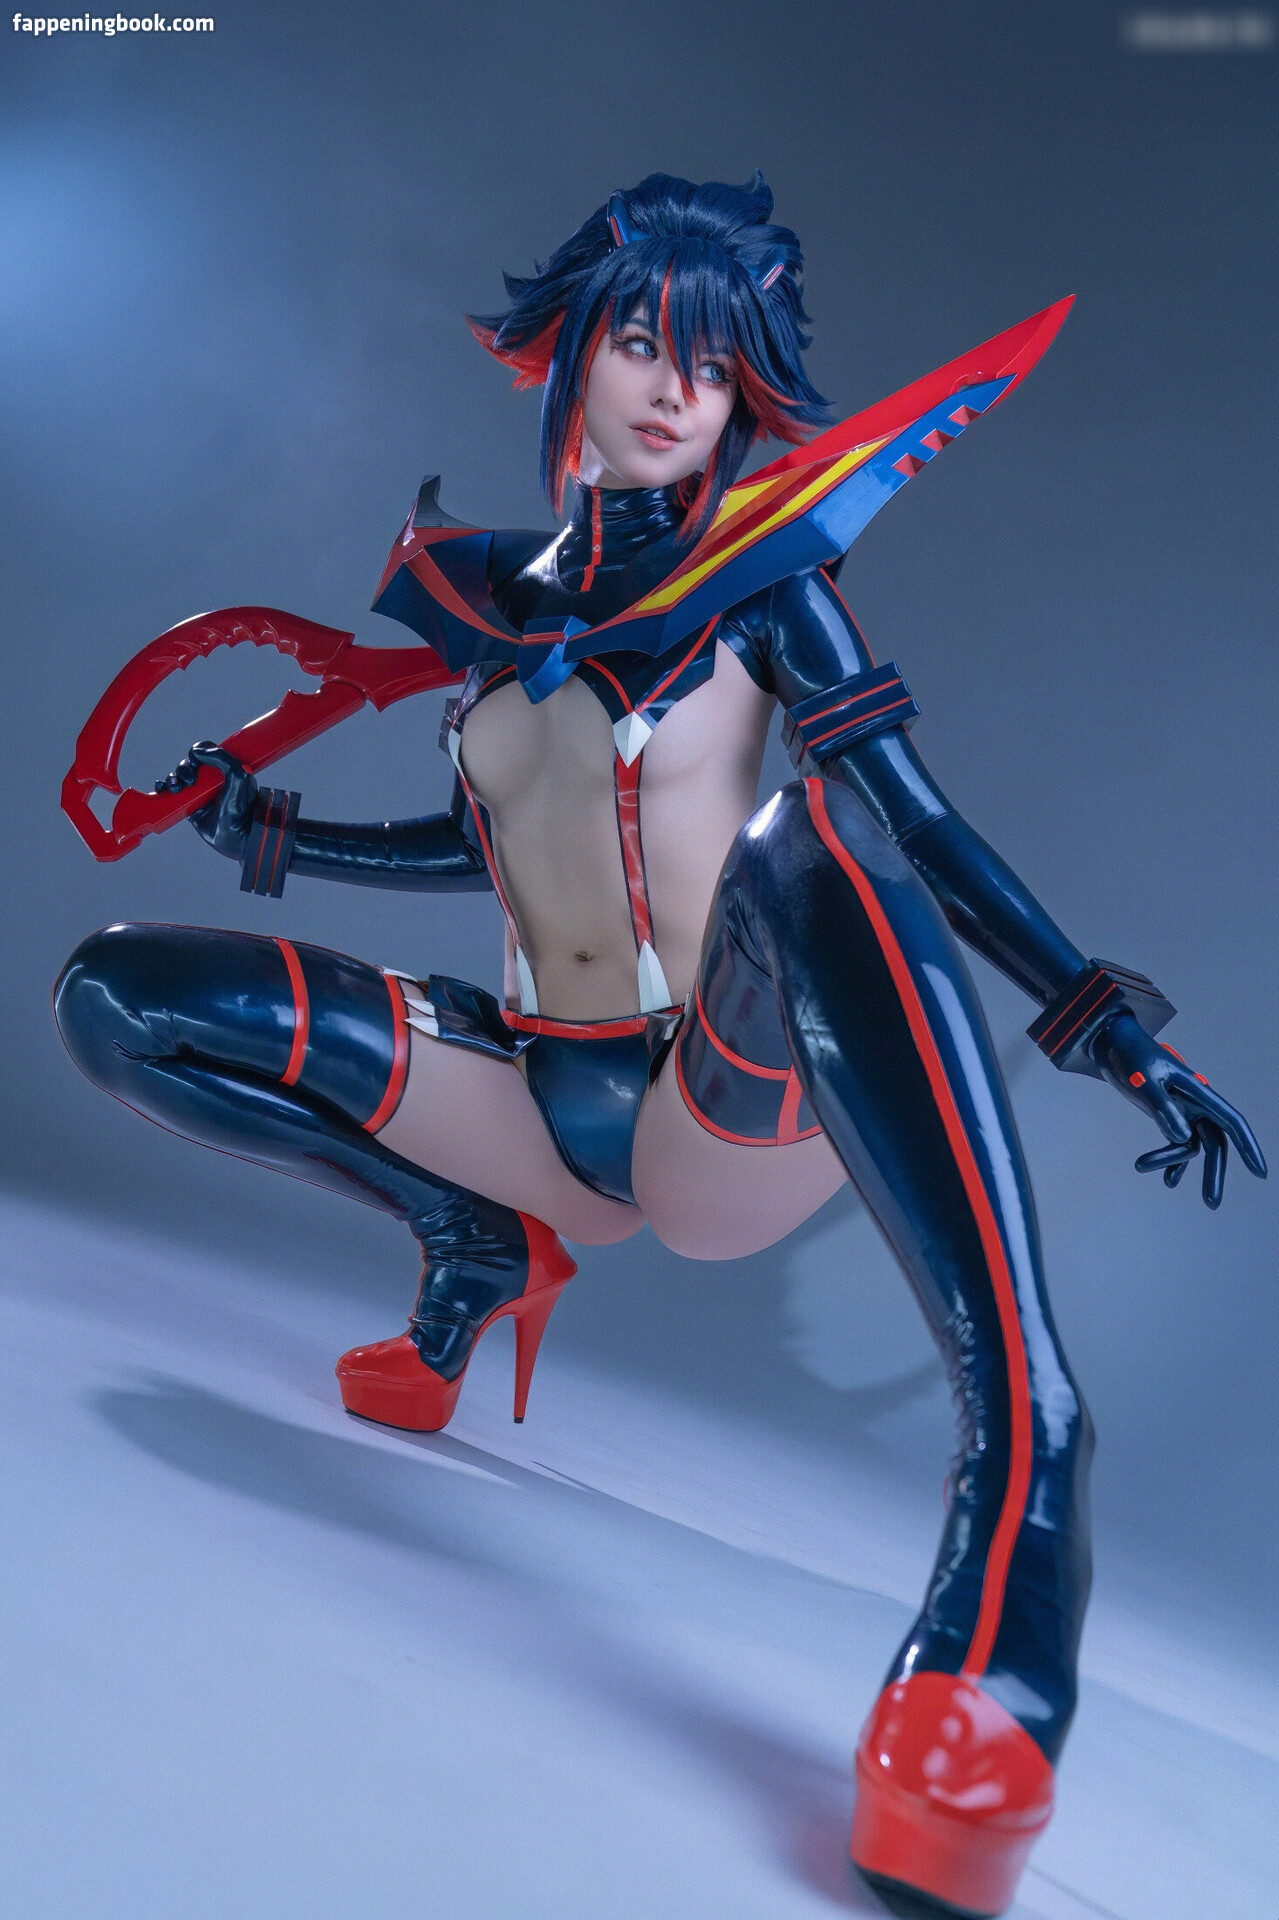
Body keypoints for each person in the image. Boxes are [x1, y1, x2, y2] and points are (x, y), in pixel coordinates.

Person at [54, 173, 1264, 1918]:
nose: (677, 388)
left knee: (811, 833)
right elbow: (491, 836)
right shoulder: (484, 599)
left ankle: (1028, 1447)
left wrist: (1101, 1026)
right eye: (643, 340)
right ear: (573, 353)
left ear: (749, 389)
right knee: (118, 998)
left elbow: (919, 826)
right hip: (527, 1093)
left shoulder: (769, 588)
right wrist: (282, 838)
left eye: (716, 360)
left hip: (720, 1100)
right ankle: (471, 1235)